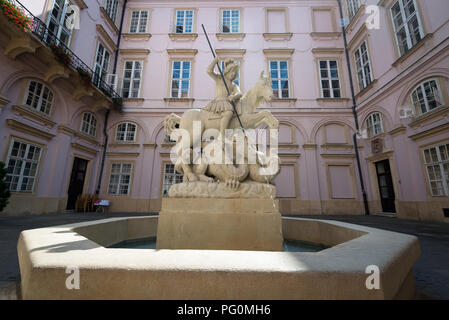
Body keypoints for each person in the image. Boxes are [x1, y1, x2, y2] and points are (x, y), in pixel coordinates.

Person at [203, 57, 242, 140]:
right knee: (228, 113)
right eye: (232, 72)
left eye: (235, 73)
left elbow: (239, 93)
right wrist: (214, 61)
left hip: (227, 102)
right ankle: (222, 135)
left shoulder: (233, 85)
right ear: (228, 71)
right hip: (219, 101)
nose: (233, 74)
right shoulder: (219, 78)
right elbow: (209, 71)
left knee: (229, 113)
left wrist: (234, 96)